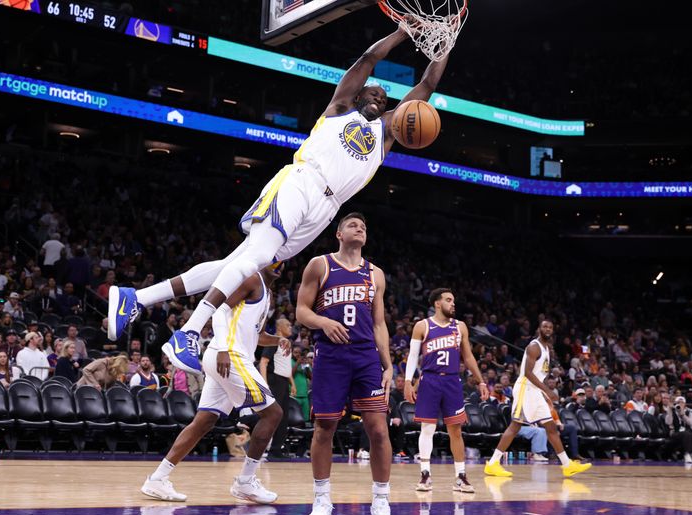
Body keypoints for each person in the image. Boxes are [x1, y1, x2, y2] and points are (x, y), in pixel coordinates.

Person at [107, 23, 453, 380]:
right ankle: (190, 331)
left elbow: (426, 87)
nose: (380, 100)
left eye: (384, 100)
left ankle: (138, 298)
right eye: (374, 94)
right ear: (358, 94)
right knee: (254, 257)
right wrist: (399, 33)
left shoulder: (387, 133)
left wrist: (444, 47)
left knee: (239, 262)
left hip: (326, 209)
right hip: (302, 181)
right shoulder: (339, 108)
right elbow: (368, 59)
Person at [141, 264, 286, 504]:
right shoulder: (251, 279)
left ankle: (157, 479)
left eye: (283, 261)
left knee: (203, 422)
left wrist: (278, 339)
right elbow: (219, 310)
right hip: (229, 356)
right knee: (273, 414)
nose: (280, 264)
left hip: (225, 358)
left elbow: (253, 334)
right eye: (275, 258)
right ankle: (245, 482)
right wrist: (225, 349)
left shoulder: (267, 294)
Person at [295, 213, 395, 515]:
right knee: (325, 426)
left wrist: (389, 363)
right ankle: (322, 500)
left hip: (365, 356)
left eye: (363, 226)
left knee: (378, 429)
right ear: (339, 233)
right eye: (353, 225)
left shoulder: (376, 274)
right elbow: (301, 311)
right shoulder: (320, 265)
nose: (360, 228)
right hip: (331, 355)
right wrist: (324, 321)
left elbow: (379, 323)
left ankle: (381, 502)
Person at [404, 288, 488, 493]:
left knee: (456, 430)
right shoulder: (422, 326)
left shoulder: (460, 327)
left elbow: (468, 357)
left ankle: (460, 476)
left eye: (453, 300)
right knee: (427, 428)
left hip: (452, 381)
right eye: (449, 300)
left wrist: (481, 381)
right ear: (437, 304)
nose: (453, 304)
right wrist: (408, 381)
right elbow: (413, 356)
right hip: (429, 379)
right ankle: (425, 474)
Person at [484, 320, 591, 478]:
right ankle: (493, 463)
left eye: (550, 327)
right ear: (539, 329)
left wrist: (544, 391)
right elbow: (527, 372)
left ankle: (567, 465)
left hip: (535, 391)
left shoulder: (547, 348)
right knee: (515, 426)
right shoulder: (534, 347)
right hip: (525, 388)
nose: (547, 329)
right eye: (544, 326)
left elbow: (542, 373)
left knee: (551, 427)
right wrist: (547, 390)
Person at [259, 317, 296, 458]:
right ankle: (245, 422)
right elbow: (263, 362)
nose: (291, 327)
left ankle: (276, 449)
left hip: (283, 381)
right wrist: (265, 384)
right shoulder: (274, 341)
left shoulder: (287, 343)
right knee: (274, 415)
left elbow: (285, 365)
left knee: (283, 417)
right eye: (288, 325)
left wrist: (292, 382)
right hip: (274, 381)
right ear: (279, 328)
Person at [663, 395, 692, 465]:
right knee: (686, 434)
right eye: (678, 402)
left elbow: (691, 423)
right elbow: (668, 422)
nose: (680, 404)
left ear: (685, 404)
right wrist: (670, 410)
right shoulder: (672, 411)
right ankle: (687, 454)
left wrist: (683, 415)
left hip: (687, 433)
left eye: (682, 402)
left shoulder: (688, 412)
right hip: (675, 433)